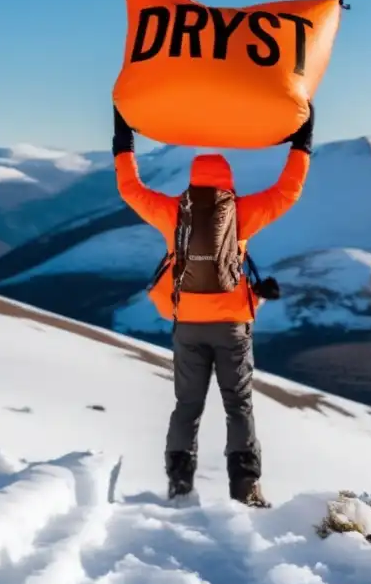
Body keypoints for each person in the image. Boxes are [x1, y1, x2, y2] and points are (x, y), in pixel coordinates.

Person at [112, 104, 315, 507]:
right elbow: (288, 191)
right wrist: (302, 143)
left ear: (192, 180)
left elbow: (130, 189)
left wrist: (123, 140)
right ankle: (245, 488)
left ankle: (179, 484)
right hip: (232, 327)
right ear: (228, 181)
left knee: (186, 405)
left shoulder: (173, 213)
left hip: (187, 323)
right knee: (238, 407)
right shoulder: (241, 213)